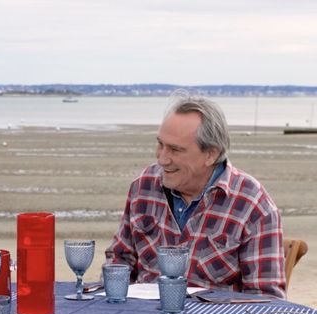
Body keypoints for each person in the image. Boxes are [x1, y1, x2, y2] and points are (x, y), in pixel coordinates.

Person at [105, 93, 286, 299]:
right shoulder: (143, 187)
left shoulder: (253, 206)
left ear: (211, 154)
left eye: (175, 149)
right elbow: (119, 260)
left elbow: (267, 301)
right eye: (160, 144)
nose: (162, 159)